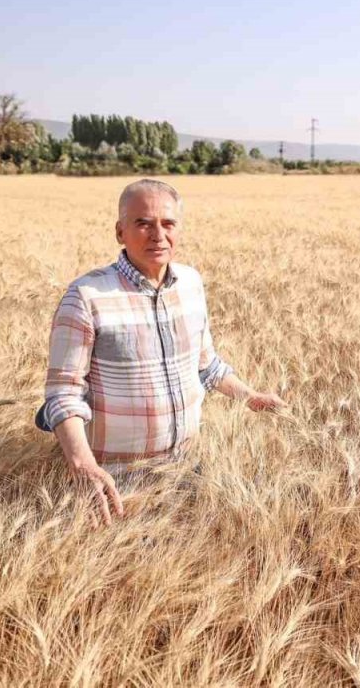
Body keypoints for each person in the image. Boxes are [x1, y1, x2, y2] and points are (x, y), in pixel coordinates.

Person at [34, 178, 285, 523]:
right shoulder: (87, 297)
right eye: (143, 223)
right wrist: (83, 465)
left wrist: (250, 396)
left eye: (168, 224)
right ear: (120, 232)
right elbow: (63, 393)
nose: (158, 235)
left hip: (187, 470)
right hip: (114, 483)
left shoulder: (191, 284)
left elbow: (206, 365)